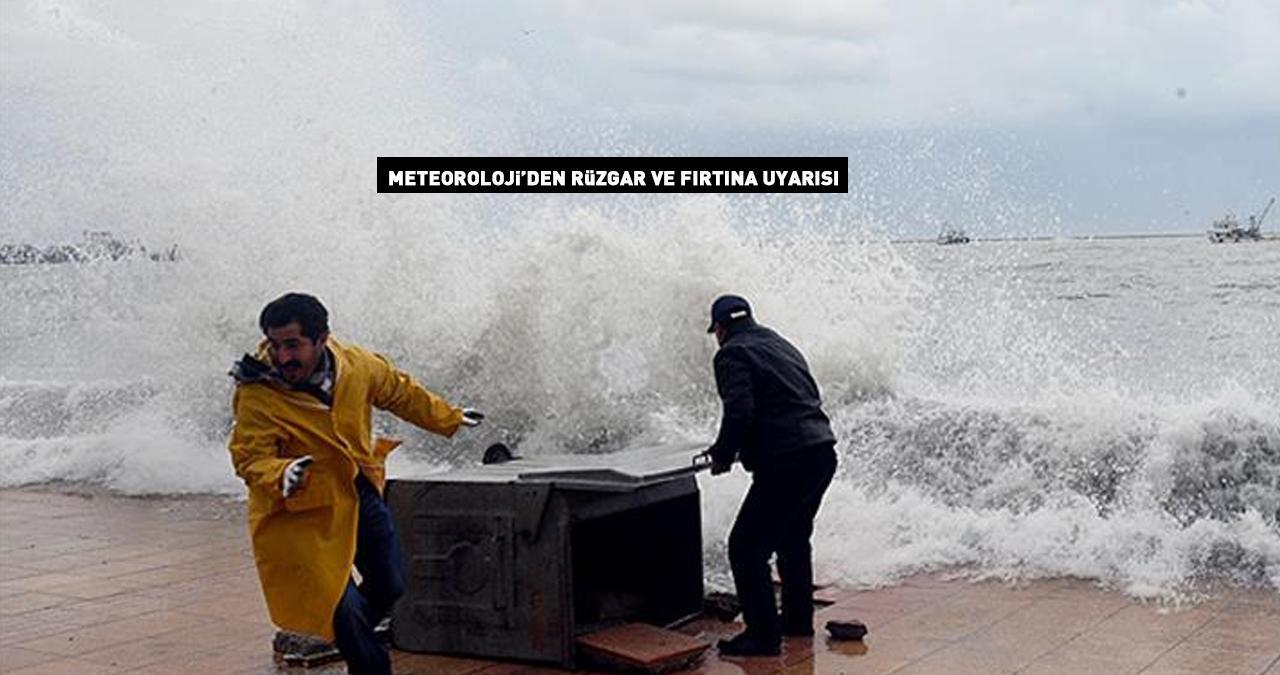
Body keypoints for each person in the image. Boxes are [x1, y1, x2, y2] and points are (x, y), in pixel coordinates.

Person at [227, 293, 483, 675]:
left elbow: (400, 391)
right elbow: (249, 458)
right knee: (342, 608)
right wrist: (281, 473)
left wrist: (448, 416)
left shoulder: (358, 366)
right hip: (297, 510)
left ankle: (339, 635)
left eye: (293, 345)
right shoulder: (257, 391)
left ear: (322, 338)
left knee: (391, 582)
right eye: (274, 345)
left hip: (356, 488)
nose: (282, 358)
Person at [702, 294, 838, 657]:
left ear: (720, 328)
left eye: (715, 330)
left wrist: (723, 454)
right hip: (821, 452)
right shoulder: (780, 344)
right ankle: (796, 620)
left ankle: (762, 636)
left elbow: (740, 410)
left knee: (746, 548)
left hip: (787, 461)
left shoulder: (730, 353)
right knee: (793, 538)